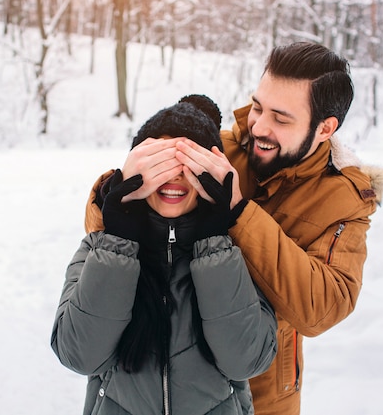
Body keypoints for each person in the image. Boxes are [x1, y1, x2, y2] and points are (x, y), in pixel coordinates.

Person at [83, 42, 383, 415]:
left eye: (281, 118)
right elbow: (108, 231)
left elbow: (322, 308)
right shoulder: (221, 151)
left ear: (325, 127)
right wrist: (113, 197)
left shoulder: (344, 200)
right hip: (172, 381)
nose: (258, 126)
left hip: (266, 395)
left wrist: (238, 213)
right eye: (257, 107)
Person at [51, 95, 278, 415]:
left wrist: (213, 245)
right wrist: (119, 242)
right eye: (159, 162)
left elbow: (246, 360)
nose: (173, 177)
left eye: (189, 164)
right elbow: (79, 354)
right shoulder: (99, 249)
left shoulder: (237, 251)